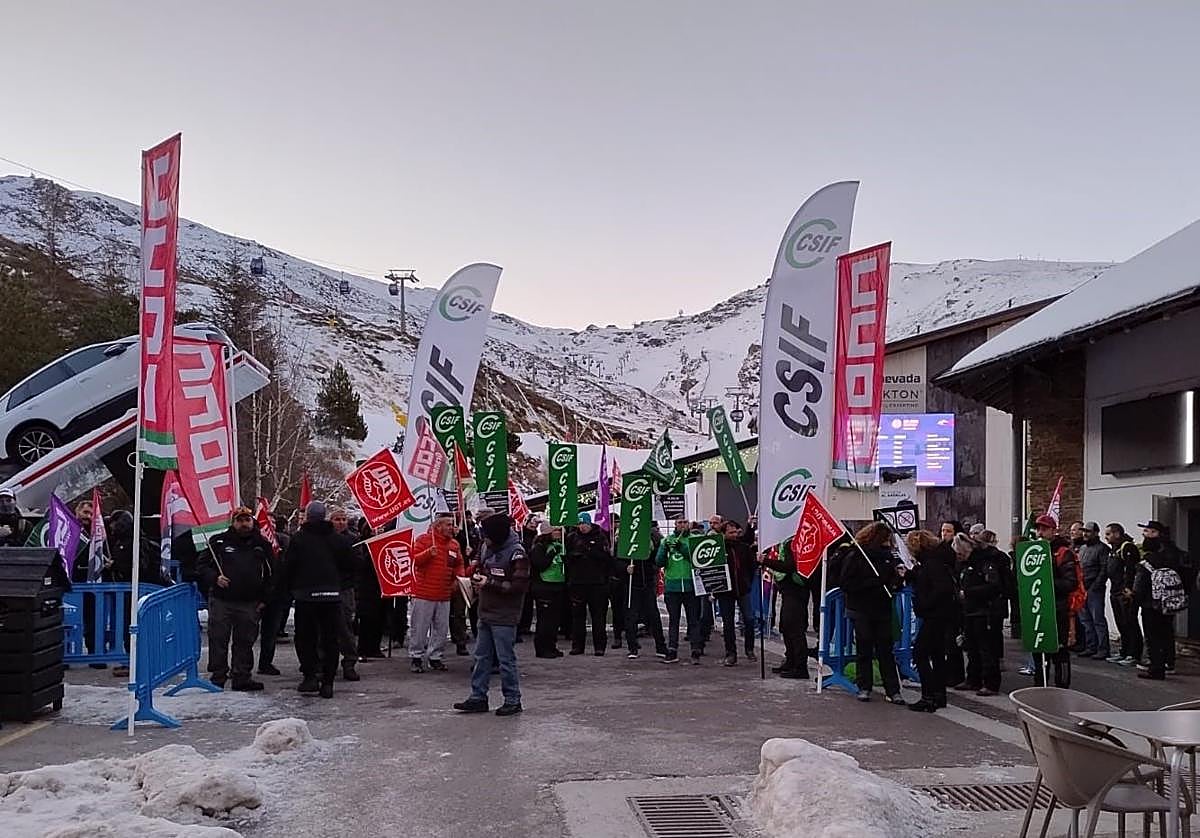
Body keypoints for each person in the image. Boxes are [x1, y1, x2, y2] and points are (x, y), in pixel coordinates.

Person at [454, 513, 530, 716]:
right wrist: (475, 577)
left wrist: (491, 584)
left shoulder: (517, 554)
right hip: (485, 610)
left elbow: (519, 586)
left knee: (506, 659)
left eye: (487, 535)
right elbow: (481, 565)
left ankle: (513, 699)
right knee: (481, 657)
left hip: (505, 615)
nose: (483, 539)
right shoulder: (486, 547)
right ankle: (478, 696)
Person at [277, 501, 355, 698]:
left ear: (308, 517)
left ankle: (310, 676)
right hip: (331, 596)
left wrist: (290, 588)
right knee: (331, 639)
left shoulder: (299, 539)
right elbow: (352, 564)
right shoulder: (338, 540)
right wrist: (338, 583)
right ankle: (328, 682)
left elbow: (289, 566)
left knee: (306, 638)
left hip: (306, 596)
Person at [198, 506, 274, 691]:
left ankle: (242, 677)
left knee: (245, 642)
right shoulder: (218, 542)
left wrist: (265, 598)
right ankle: (218, 677)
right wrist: (215, 578)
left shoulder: (262, 544)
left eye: (247, 520)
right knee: (218, 640)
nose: (244, 524)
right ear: (233, 522)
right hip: (222, 601)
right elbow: (201, 566)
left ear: (252, 521)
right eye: (240, 520)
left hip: (250, 603)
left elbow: (273, 573)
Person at [839, 522, 904, 704]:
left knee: (885, 649)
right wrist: (872, 584)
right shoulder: (858, 556)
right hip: (862, 608)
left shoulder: (888, 557)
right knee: (864, 648)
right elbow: (846, 583)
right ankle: (864, 686)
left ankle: (892, 689)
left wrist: (896, 582)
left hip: (882, 608)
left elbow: (893, 582)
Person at [905, 530, 958, 712]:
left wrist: (925, 604)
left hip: (934, 614)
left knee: (920, 653)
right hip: (942, 614)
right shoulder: (935, 560)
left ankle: (928, 696)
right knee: (936, 655)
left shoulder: (932, 563)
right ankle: (939, 695)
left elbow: (940, 587)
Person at [408, 513, 463, 673]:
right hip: (424, 592)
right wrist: (427, 554)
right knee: (420, 627)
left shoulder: (454, 545)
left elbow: (459, 564)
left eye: (452, 524)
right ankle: (416, 656)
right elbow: (414, 560)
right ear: (438, 526)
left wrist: (458, 579)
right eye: (448, 524)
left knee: (441, 627)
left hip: (444, 593)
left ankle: (435, 656)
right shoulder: (424, 540)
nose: (451, 528)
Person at [955, 533, 1006, 697]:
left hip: (985, 611)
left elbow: (994, 586)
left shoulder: (985, 562)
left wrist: (968, 593)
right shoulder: (967, 564)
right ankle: (973, 679)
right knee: (972, 648)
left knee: (986, 649)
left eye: (960, 554)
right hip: (971, 610)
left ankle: (990, 683)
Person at [1032, 515, 1078, 688]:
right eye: (1038, 529)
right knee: (1038, 650)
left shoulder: (1063, 553)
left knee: (1060, 652)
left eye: (1044, 529)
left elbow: (1071, 582)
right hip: (1038, 609)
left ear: (1053, 530)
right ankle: (1039, 685)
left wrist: (1048, 583)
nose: (1040, 533)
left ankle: (1062, 688)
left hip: (1058, 609)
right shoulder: (1034, 550)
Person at [1134, 520, 1183, 680]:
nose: (1144, 535)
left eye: (1147, 532)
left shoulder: (1151, 558)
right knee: (1166, 632)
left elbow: (1141, 584)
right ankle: (1168, 662)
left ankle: (1156, 667)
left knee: (1153, 635)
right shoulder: (1174, 553)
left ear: (1156, 534)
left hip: (1151, 602)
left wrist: (1135, 598)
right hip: (1169, 600)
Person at [760, 543, 811, 680]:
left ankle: (800, 667)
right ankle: (790, 661)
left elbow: (789, 566)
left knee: (795, 629)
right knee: (786, 627)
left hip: (796, 590)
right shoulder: (785, 543)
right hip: (788, 591)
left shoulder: (792, 544)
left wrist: (766, 561)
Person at [565, 512, 614, 656]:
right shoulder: (572, 537)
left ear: (589, 523)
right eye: (580, 524)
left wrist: (590, 552)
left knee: (598, 616)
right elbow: (566, 557)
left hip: (597, 583)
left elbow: (607, 558)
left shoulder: (600, 536)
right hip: (578, 582)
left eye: (584, 524)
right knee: (578, 616)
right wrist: (574, 556)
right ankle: (577, 646)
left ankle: (599, 646)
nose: (582, 527)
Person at [656, 516, 702, 664]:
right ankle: (672, 649)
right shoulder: (667, 540)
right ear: (675, 525)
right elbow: (659, 562)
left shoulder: (694, 539)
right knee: (673, 620)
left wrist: (681, 548)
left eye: (685, 522)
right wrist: (665, 549)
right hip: (673, 586)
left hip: (691, 585)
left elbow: (696, 558)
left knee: (693, 620)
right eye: (679, 523)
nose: (682, 525)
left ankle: (695, 649)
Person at [715, 520, 757, 666]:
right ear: (723, 534)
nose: (734, 535)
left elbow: (752, 567)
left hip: (743, 589)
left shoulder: (743, 548)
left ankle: (749, 649)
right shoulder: (718, 549)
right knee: (728, 623)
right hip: (725, 591)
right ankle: (731, 653)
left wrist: (747, 582)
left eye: (735, 532)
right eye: (730, 532)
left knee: (749, 619)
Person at [622, 533, 667, 660]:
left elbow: (659, 558)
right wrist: (625, 568)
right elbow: (616, 560)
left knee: (654, 615)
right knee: (631, 616)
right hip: (632, 583)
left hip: (647, 582)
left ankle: (661, 646)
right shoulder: (626, 538)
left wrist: (653, 567)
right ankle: (632, 647)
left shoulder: (653, 537)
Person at [329, 508, 361, 682]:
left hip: (345, 588)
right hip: (327, 587)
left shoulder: (352, 540)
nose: (341, 522)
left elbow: (358, 563)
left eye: (343, 519)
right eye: (337, 519)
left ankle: (349, 662)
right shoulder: (324, 538)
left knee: (345, 627)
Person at [257, 515, 291, 676]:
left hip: (277, 594)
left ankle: (265, 663)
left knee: (270, 632)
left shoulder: (283, 542)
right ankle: (240, 666)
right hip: (254, 594)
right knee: (245, 634)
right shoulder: (254, 544)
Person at [1104, 523, 1142, 667]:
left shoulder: (1127, 548)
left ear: (1117, 534)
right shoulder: (1113, 549)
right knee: (1121, 623)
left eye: (1108, 534)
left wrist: (1128, 588)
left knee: (1130, 622)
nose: (1106, 537)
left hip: (1125, 593)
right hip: (1115, 590)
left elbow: (1131, 569)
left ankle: (1134, 654)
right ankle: (1124, 651)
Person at [530, 522, 567, 659]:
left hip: (557, 584)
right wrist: (551, 555)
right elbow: (540, 565)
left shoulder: (559, 545)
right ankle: (542, 648)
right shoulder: (539, 547)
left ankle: (551, 645)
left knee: (554, 619)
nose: (558, 533)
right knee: (545, 619)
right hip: (543, 586)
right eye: (555, 530)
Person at [1076, 522, 1111, 659]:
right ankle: (1091, 646)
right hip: (1082, 588)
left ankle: (1103, 649)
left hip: (1094, 590)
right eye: (1084, 531)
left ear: (1096, 533)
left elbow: (1104, 570)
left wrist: (1095, 586)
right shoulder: (1083, 548)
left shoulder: (1102, 549)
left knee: (1098, 620)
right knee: (1086, 620)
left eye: (1088, 532)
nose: (1085, 534)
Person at [938, 520, 966, 687]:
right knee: (945, 641)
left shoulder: (957, 554)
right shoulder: (940, 550)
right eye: (943, 530)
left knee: (953, 641)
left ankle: (956, 674)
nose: (944, 534)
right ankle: (948, 673)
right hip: (945, 602)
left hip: (955, 603)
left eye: (948, 531)